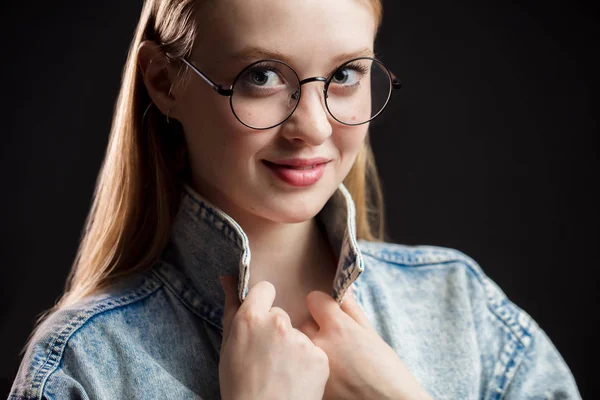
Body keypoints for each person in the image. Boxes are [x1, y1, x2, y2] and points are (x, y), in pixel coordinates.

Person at [9, 0, 581, 399]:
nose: (311, 127)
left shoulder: (464, 310)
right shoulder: (85, 367)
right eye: (261, 76)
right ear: (164, 82)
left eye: (346, 74)